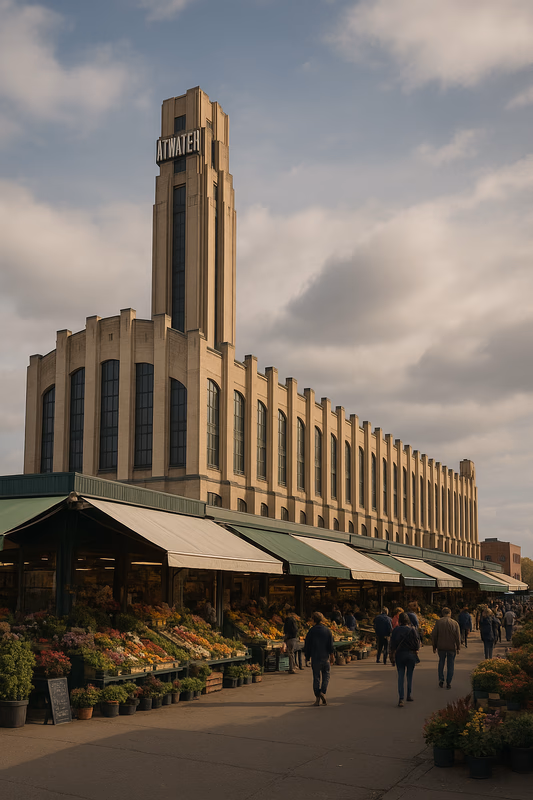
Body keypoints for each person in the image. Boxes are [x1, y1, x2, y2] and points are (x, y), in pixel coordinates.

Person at [390, 612, 420, 707]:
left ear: (399, 621)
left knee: (400, 675)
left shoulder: (396, 630)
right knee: (409, 675)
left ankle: (401, 698)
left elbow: (392, 645)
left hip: (400, 655)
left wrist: (392, 656)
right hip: (411, 655)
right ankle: (409, 695)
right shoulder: (413, 630)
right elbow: (417, 644)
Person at [304, 611, 334, 706]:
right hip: (325, 657)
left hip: (315, 658)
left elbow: (307, 645)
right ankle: (323, 692)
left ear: (313, 620)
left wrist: (307, 657)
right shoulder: (327, 631)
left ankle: (317, 698)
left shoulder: (311, 631)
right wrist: (332, 656)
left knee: (316, 677)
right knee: (326, 675)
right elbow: (331, 645)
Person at [431, 607, 461, 689]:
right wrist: (458, 647)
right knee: (450, 664)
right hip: (451, 647)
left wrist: (434, 646)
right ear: (450, 613)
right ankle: (449, 682)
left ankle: (441, 679)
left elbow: (434, 635)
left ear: (443, 613)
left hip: (441, 646)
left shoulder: (438, 622)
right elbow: (458, 636)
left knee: (441, 662)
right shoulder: (455, 623)